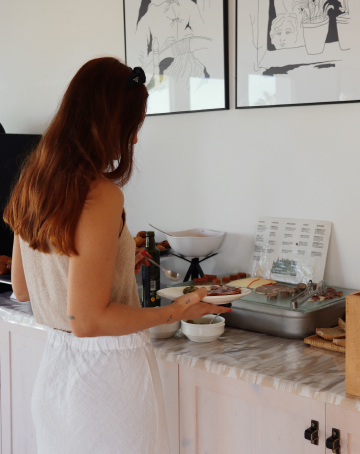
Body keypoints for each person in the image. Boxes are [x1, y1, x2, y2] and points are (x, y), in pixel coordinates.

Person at [3, 57, 230, 454]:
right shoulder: (101, 194)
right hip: (105, 382)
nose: (135, 140)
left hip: (57, 378)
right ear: (107, 123)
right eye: (133, 127)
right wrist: (179, 310)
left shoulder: (32, 183)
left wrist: (117, 264)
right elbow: (88, 320)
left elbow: (24, 289)